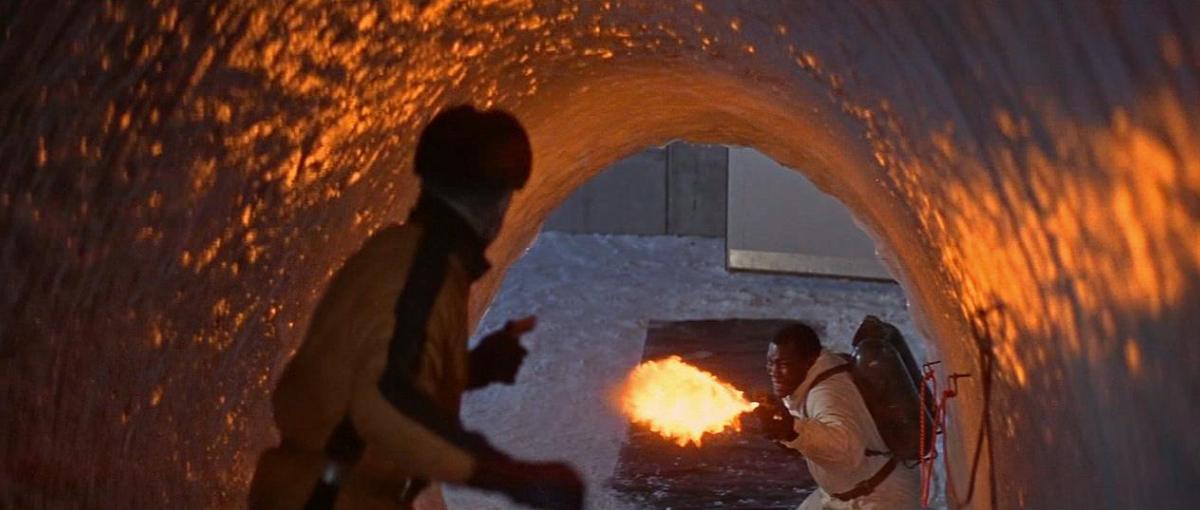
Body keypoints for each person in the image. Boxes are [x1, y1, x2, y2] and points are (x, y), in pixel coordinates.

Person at [248, 105, 584, 510]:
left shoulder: (398, 252)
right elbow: (385, 400)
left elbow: (369, 371)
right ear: (498, 205)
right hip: (331, 496)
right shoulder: (423, 273)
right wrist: (508, 475)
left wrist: (470, 368)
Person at [757, 323, 921, 510]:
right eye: (770, 362)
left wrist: (792, 430)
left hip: (880, 496)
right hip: (848, 493)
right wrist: (783, 434)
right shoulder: (809, 380)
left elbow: (846, 452)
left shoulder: (828, 393)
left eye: (784, 364)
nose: (773, 371)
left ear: (810, 361)